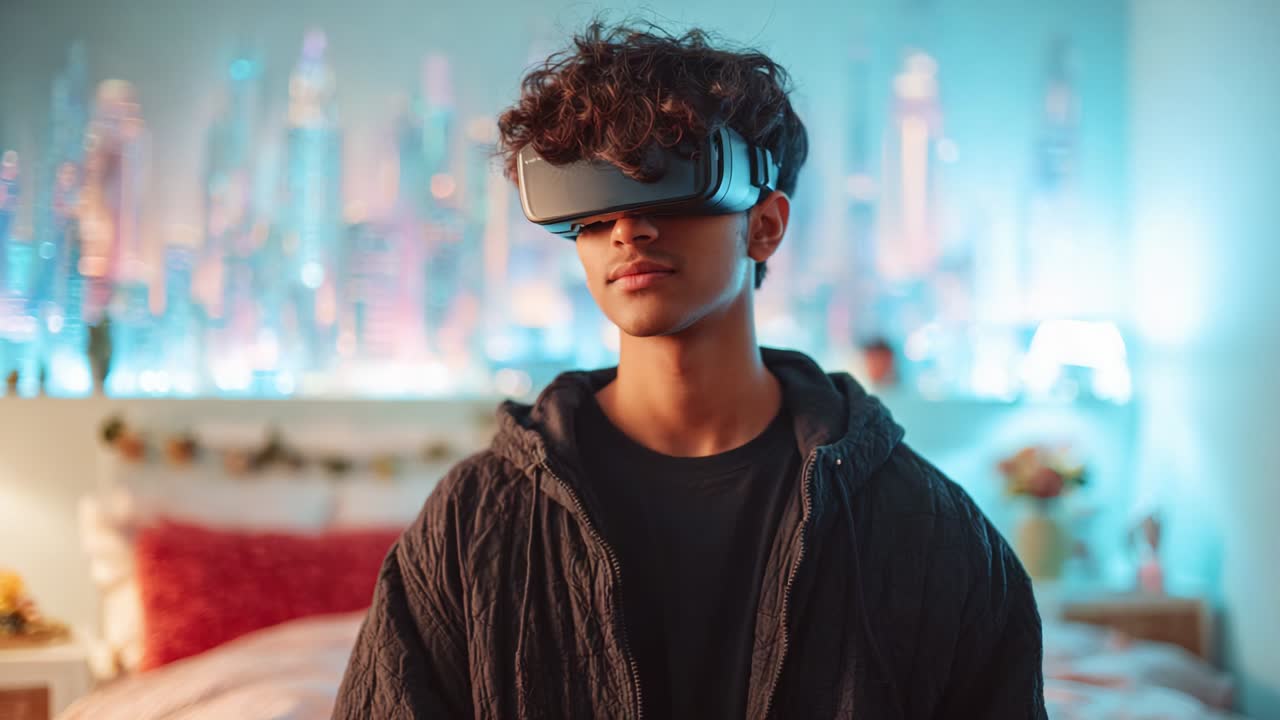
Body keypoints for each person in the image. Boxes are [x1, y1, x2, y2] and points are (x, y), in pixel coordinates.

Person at [334, 19, 1046, 719]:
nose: (627, 228)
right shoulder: (474, 523)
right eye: (592, 207)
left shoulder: (926, 529)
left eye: (667, 184)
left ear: (764, 225)